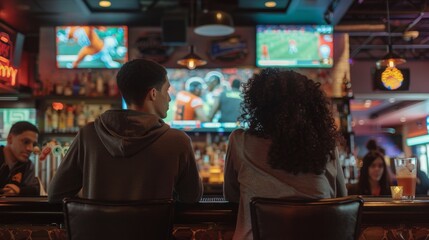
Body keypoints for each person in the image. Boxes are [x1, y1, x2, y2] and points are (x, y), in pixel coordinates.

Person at [48, 58, 203, 203]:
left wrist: (91, 195)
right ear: (153, 94)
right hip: (155, 232)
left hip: (96, 232)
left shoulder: (88, 135)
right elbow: (192, 198)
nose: (169, 98)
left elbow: (56, 195)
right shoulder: (177, 141)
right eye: (167, 90)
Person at [223, 68, 347, 240]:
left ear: (259, 106)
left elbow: (231, 195)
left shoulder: (240, 142)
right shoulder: (325, 145)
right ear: (309, 106)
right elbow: (341, 197)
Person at [0, 121, 40, 196]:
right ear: (10, 139)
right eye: (26, 142)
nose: (30, 149)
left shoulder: (27, 165)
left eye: (34, 144)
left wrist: (19, 191)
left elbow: (35, 190)